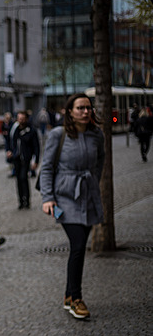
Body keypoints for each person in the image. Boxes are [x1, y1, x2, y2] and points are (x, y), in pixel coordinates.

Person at [40, 93, 104, 320]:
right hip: (64, 198)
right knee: (77, 245)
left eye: (88, 108)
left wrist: (93, 184)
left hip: (87, 197)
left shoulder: (97, 134)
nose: (85, 112)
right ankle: (76, 298)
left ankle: (68, 296)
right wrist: (48, 198)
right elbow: (46, 168)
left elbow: (100, 162)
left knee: (80, 245)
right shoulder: (58, 134)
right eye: (80, 108)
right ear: (69, 111)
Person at [7, 111, 40, 209]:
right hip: (16, 158)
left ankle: (27, 200)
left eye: (22, 118)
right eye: (19, 118)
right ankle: (21, 201)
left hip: (26, 158)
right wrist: (9, 151)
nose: (20, 120)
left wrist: (36, 160)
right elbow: (9, 141)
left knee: (23, 178)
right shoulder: (14, 129)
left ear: (26, 119)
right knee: (18, 180)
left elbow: (36, 147)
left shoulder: (31, 131)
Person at [1, 112, 15, 177]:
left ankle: (14, 171)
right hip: (6, 141)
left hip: (11, 142)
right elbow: (2, 130)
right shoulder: (4, 123)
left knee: (12, 158)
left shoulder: (12, 124)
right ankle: (13, 171)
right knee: (9, 158)